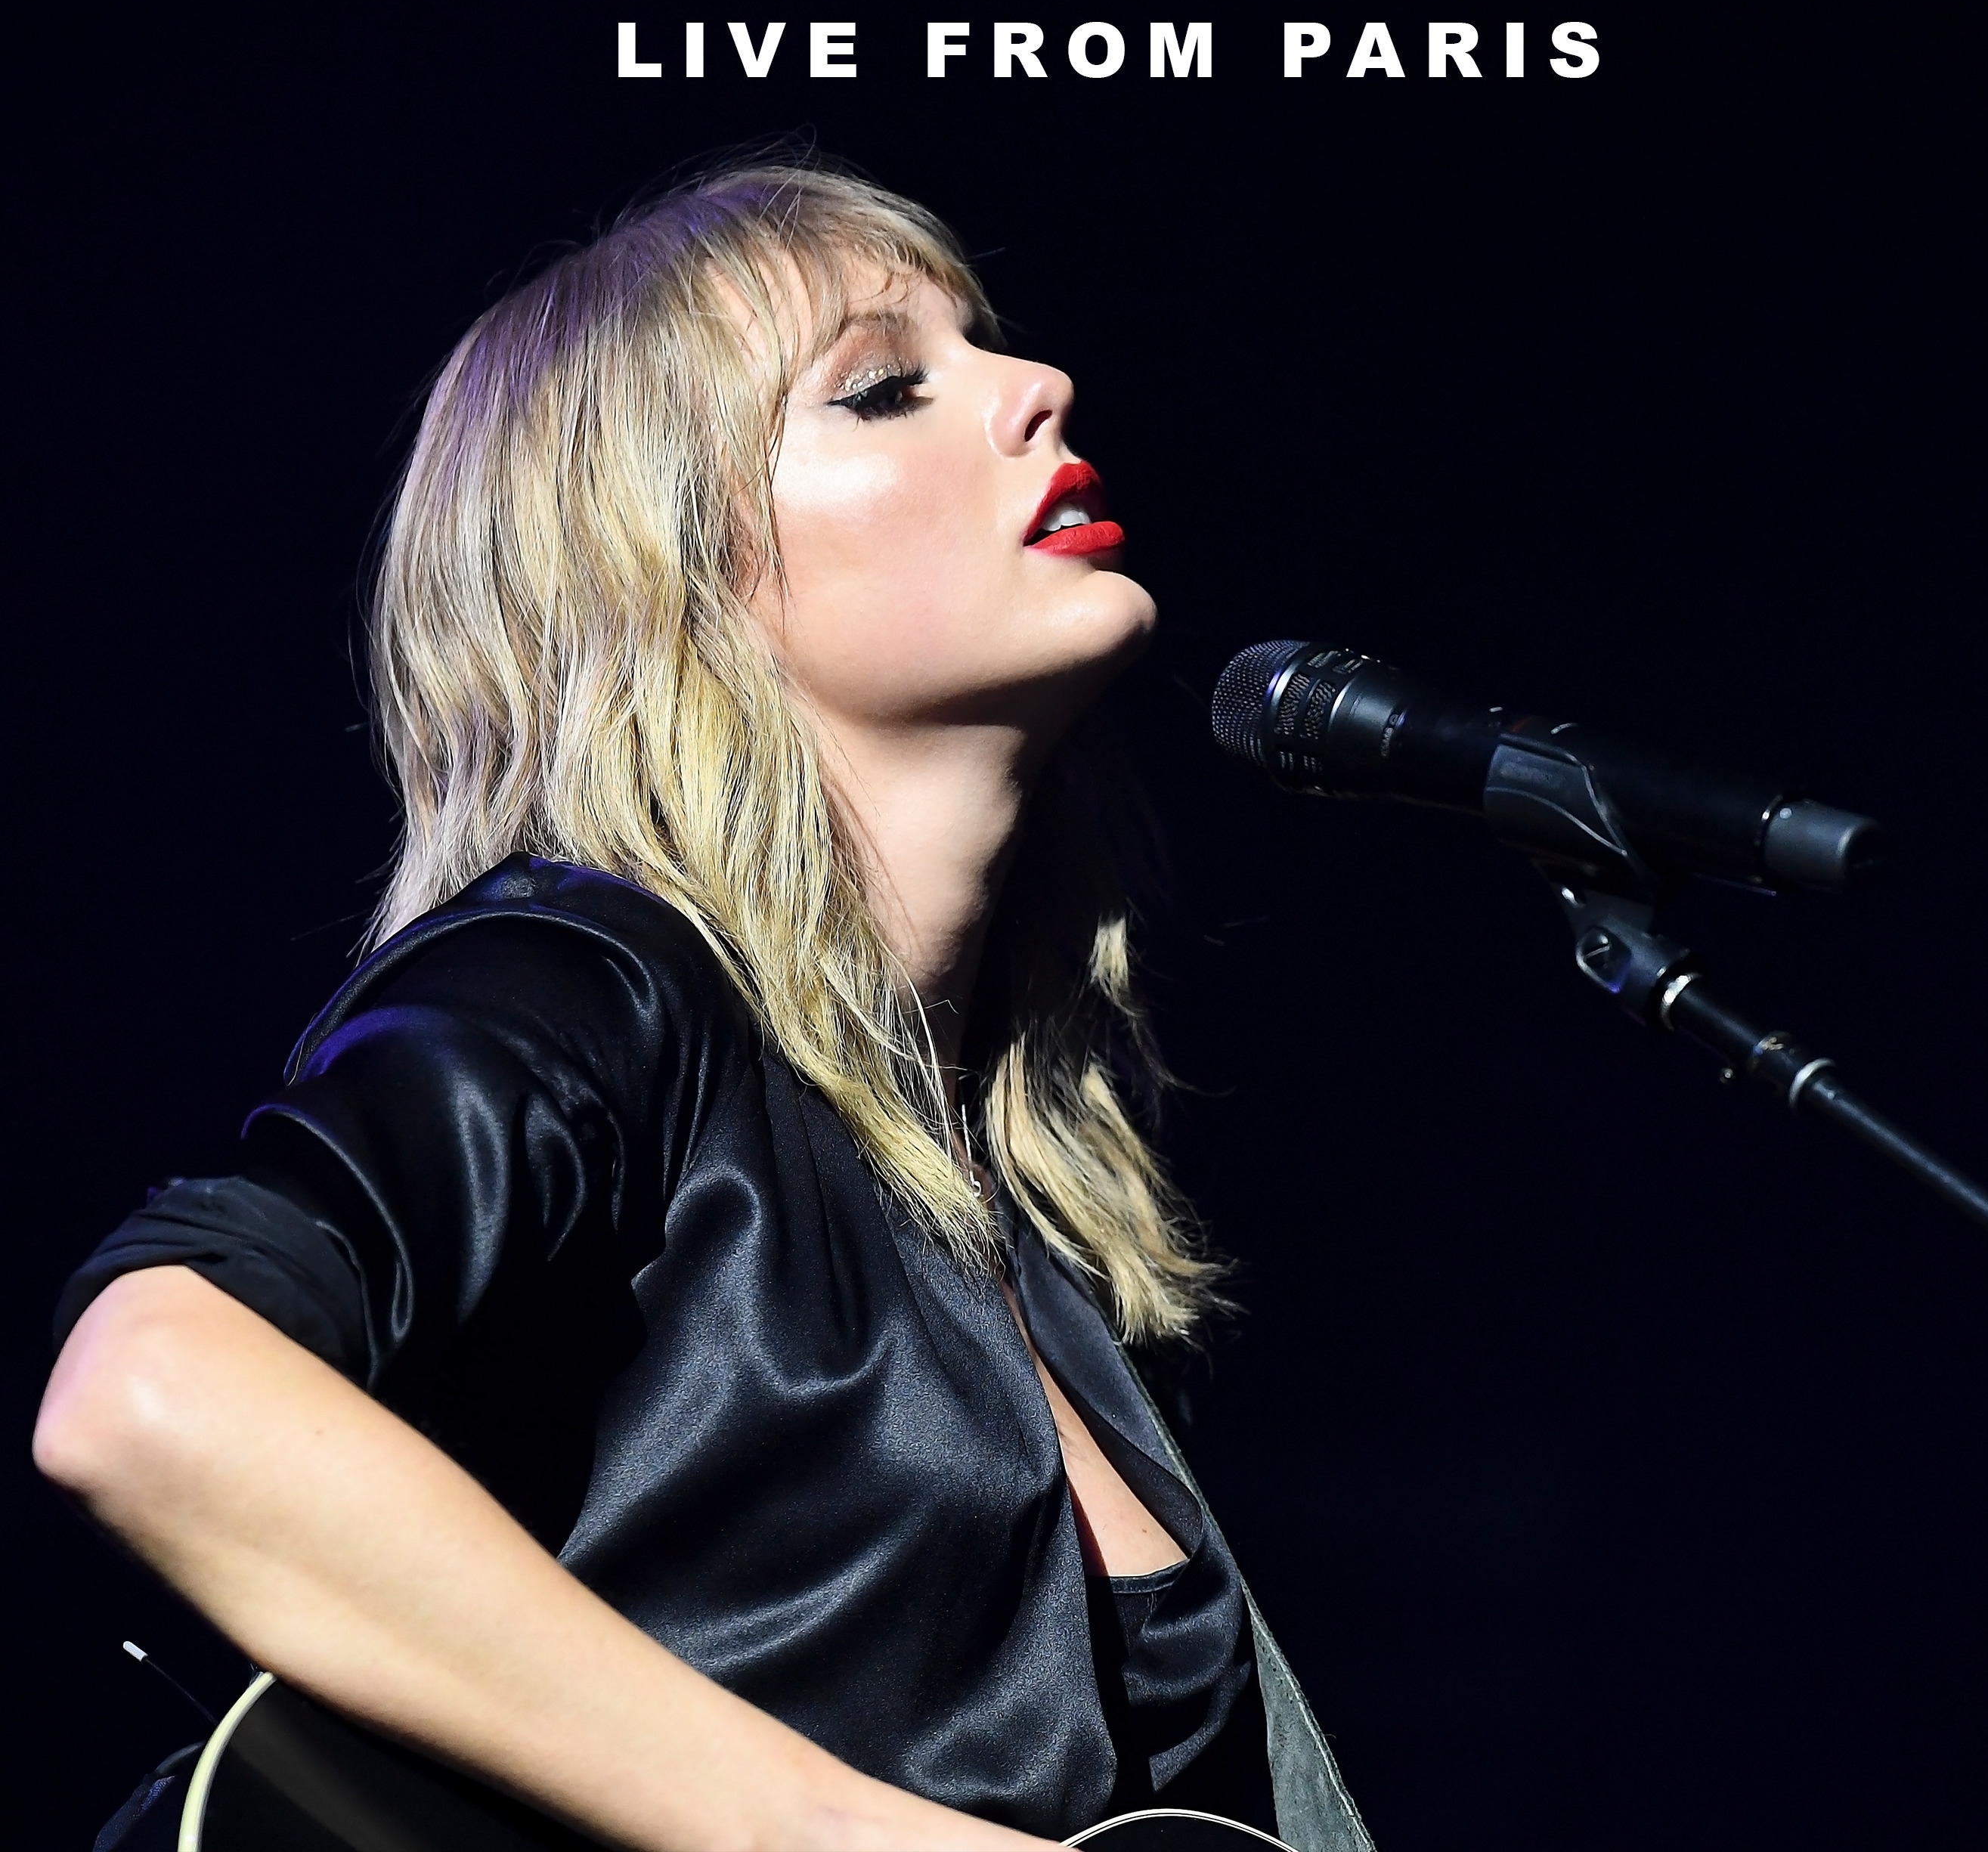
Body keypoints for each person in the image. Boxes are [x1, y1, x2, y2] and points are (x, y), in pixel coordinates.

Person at [35, 163, 1370, 1852]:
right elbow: (152, 1389)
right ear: (672, 574)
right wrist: (824, 1833)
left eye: (991, 344)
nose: (1041, 385)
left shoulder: (1031, 1233)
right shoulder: (592, 977)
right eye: (882, 388)